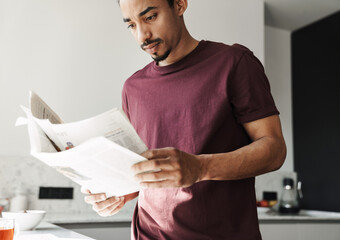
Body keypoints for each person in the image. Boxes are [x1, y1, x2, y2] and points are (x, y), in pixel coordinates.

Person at [82, 0, 287, 239]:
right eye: (131, 25)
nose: (142, 36)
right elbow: (148, 168)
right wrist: (122, 192)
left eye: (150, 17)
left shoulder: (234, 62)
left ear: (179, 4)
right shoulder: (132, 88)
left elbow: (274, 149)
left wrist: (200, 168)